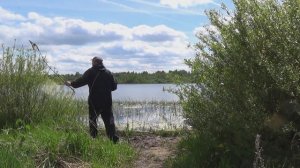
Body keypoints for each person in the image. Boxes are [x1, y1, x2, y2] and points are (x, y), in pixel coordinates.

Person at [65, 56, 119, 143]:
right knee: (109, 121)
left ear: (94, 62)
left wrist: (71, 83)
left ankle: (93, 139)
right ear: (101, 62)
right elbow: (114, 87)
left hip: (94, 103)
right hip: (107, 102)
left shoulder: (90, 72)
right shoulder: (109, 73)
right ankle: (113, 139)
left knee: (92, 121)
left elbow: (80, 82)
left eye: (92, 61)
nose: (91, 63)